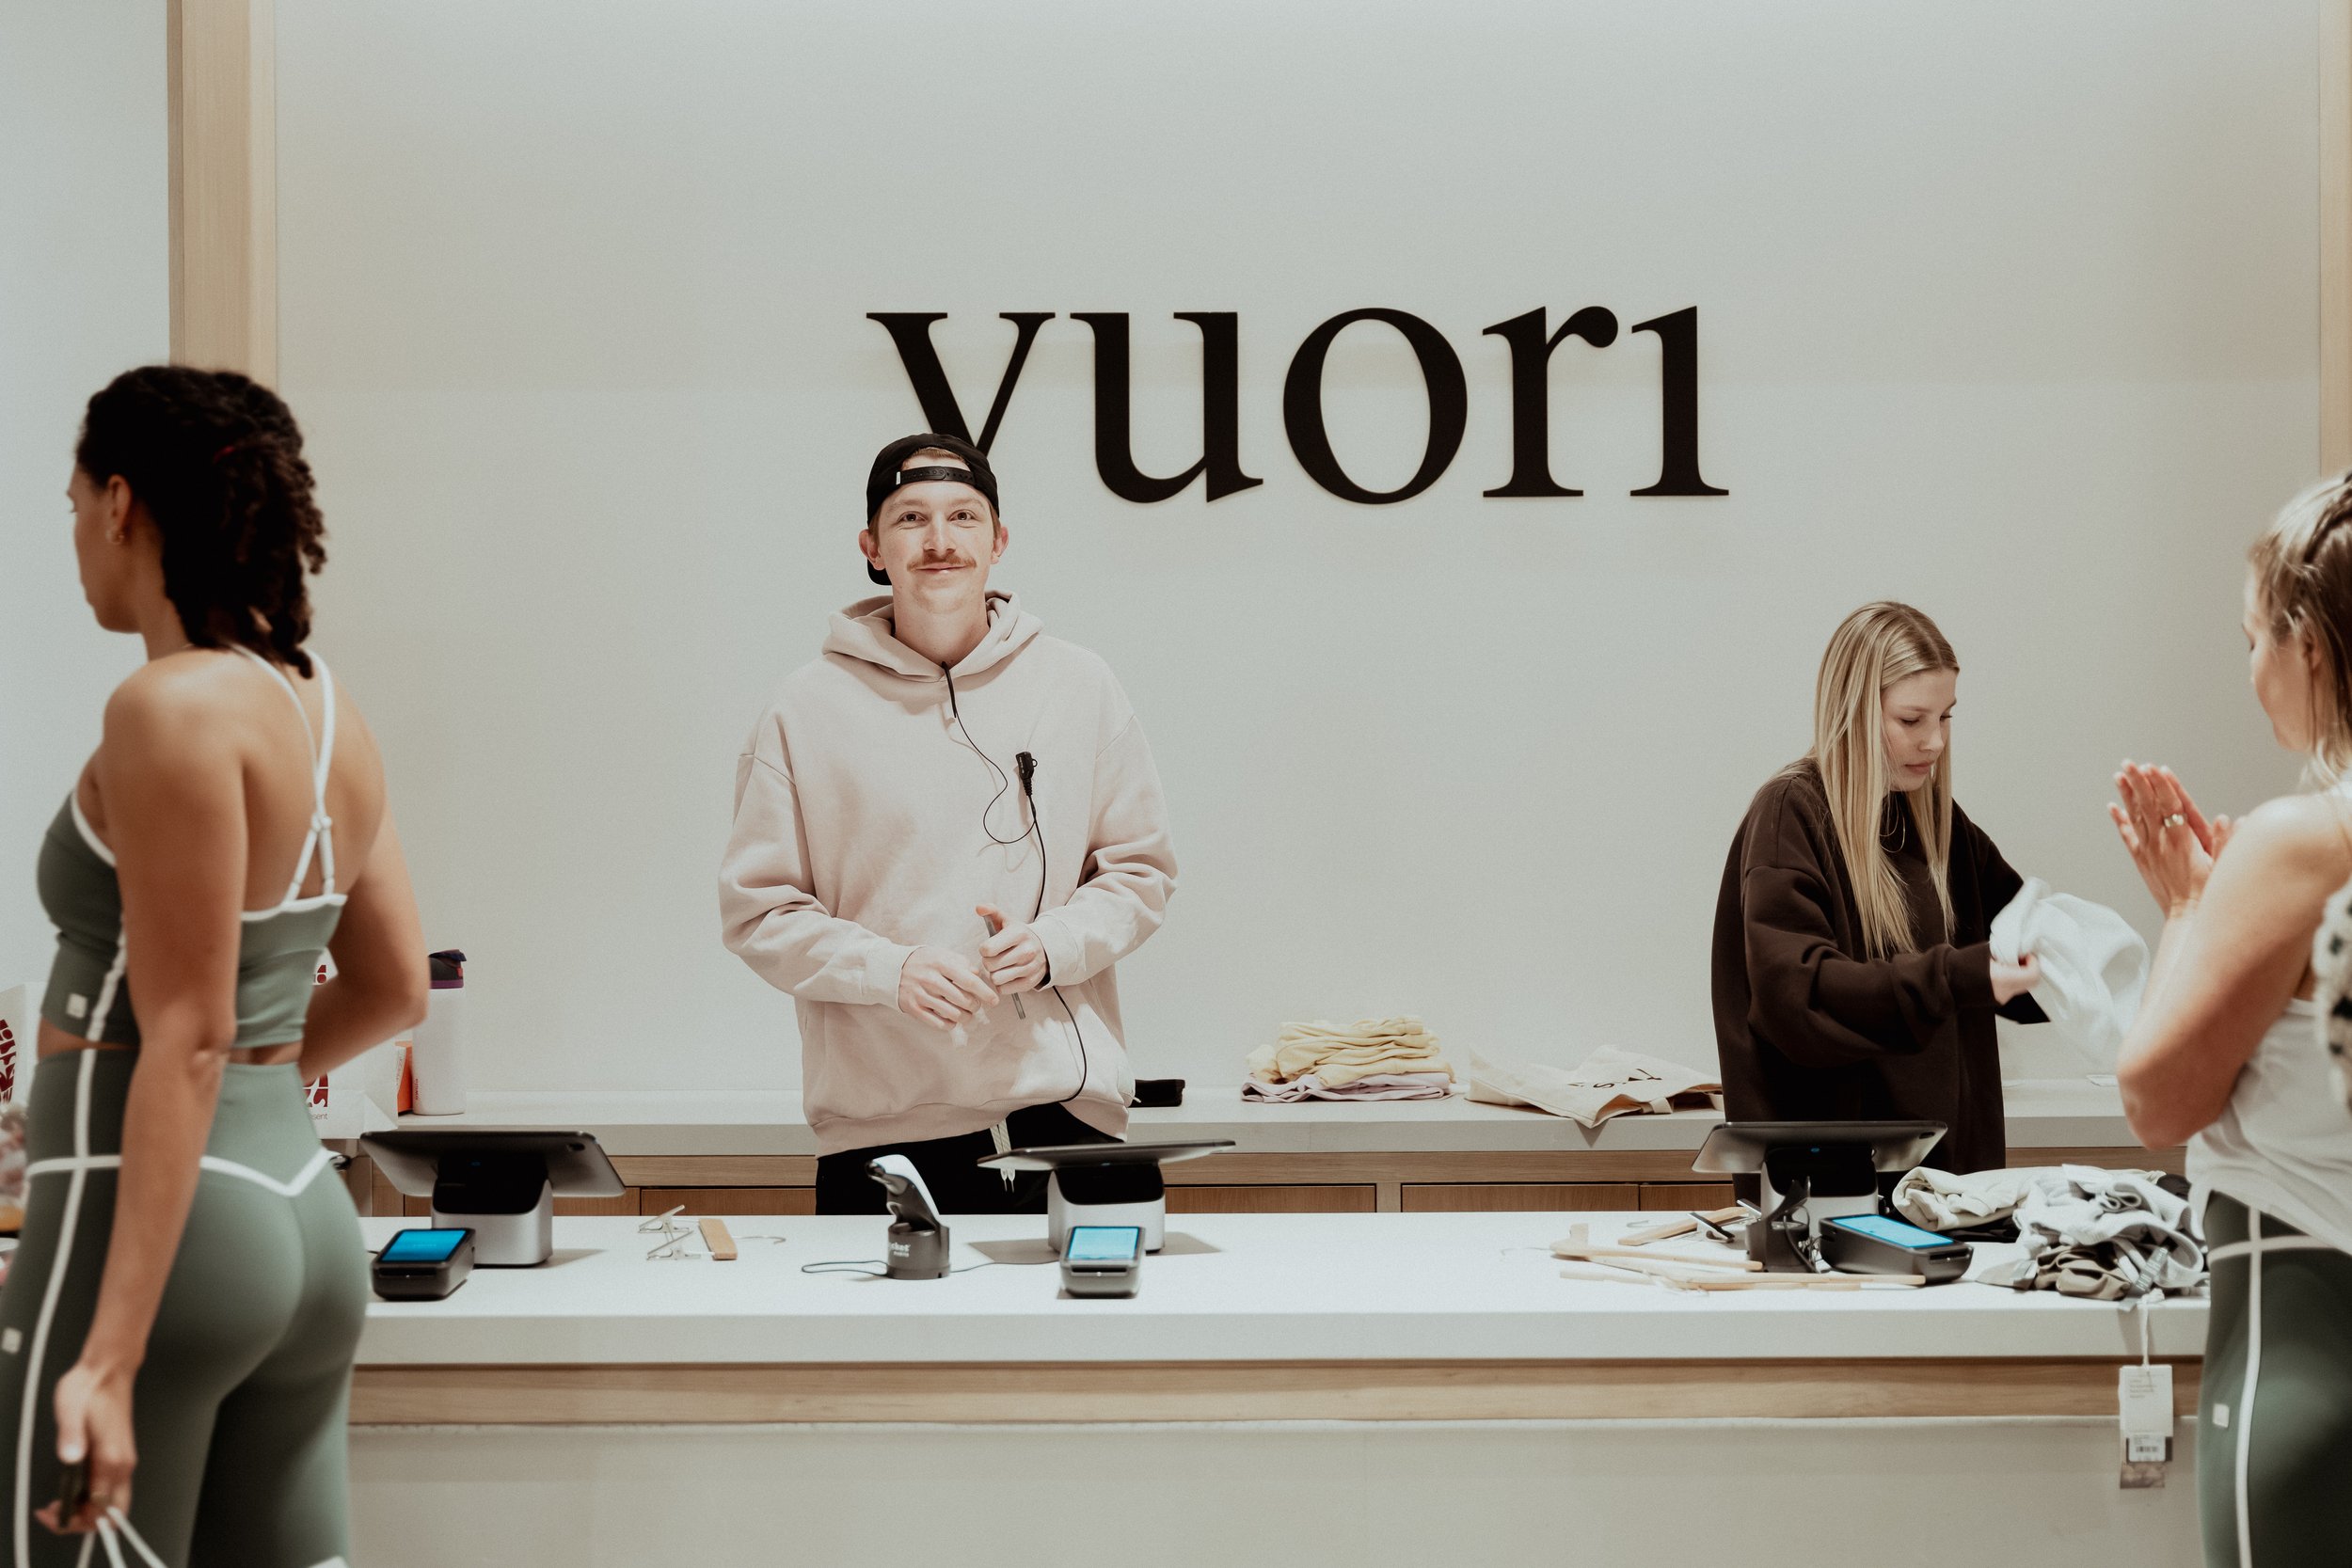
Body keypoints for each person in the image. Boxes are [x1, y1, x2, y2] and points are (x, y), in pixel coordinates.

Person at [0, 366, 427, 1565]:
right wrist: (255, 1085)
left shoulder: (166, 707)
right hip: (299, 1223)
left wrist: (110, 1350)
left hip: (152, 1230)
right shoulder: (328, 709)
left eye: (75, 500)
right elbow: (392, 984)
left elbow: (182, 1033)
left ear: (122, 502)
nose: (78, 532)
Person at [720, 433, 1177, 1213]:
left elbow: (1140, 873)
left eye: (963, 516)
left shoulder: (1079, 683)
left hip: (1064, 1123)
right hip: (884, 1140)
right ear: (872, 546)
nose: (939, 541)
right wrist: (890, 971)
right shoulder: (802, 706)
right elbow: (759, 913)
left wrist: (1050, 945)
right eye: (910, 519)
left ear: (998, 541)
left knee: (1075, 1342)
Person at [2109, 475, 2352, 1567]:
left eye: (2253, 636)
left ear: (2310, 647)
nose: (2248, 667)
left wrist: (2187, 909)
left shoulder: (2299, 841)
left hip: (2306, 1347)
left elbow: (2157, 1097)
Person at [1712, 601, 2044, 1178]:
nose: (1935, 742)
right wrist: (1958, 976)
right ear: (1855, 713)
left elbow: (2027, 952)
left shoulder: (1942, 827)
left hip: (1944, 1188)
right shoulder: (1790, 814)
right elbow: (1801, 998)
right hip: (1824, 1198)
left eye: (1946, 718)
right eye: (1912, 720)